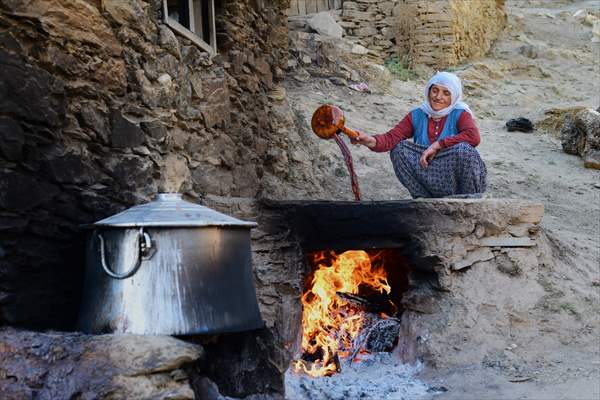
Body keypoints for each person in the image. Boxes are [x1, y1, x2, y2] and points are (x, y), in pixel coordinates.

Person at [351, 71, 487, 199]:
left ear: (454, 96)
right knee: (398, 149)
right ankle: (425, 200)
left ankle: (470, 200)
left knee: (464, 150)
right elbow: (391, 139)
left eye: (446, 93)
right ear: (428, 91)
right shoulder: (418, 114)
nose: (438, 97)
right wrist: (367, 140)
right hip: (429, 173)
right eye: (435, 91)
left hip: (456, 179)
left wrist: (438, 145)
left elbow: (473, 137)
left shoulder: (460, 113)